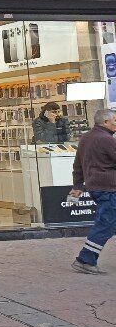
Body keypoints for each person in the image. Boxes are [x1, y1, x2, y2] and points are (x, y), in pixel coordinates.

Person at [70, 108, 116, 275]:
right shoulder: (106, 139)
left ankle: (86, 259)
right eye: (115, 120)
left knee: (108, 222)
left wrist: (77, 186)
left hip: (95, 187)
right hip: (109, 188)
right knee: (106, 224)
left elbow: (78, 164)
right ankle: (85, 259)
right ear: (105, 122)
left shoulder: (86, 138)